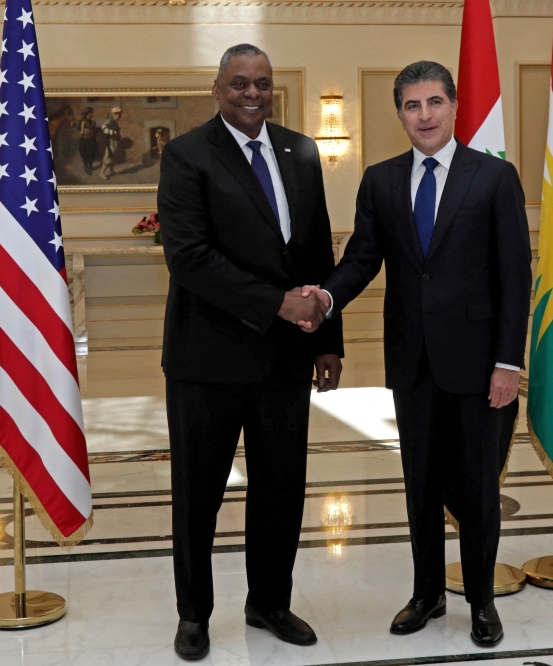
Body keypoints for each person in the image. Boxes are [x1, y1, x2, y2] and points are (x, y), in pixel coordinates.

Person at [300, 61, 532, 648]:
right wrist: (327, 296)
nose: (424, 115)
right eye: (411, 105)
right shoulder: (380, 180)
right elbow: (362, 258)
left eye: (434, 103)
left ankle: (480, 601)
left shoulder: (495, 177)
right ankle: (426, 593)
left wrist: (509, 361)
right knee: (421, 484)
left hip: (482, 366)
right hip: (412, 363)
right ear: (399, 112)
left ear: (453, 107)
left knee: (478, 488)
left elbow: (514, 275)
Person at [157, 43, 344, 660]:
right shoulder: (187, 155)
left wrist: (328, 340)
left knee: (281, 488)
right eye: (238, 83)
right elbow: (189, 258)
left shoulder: (302, 150)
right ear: (217, 90)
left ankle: (268, 601)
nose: (252, 94)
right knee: (198, 494)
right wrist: (277, 303)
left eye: (261, 83)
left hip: (286, 359)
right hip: (206, 361)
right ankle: (194, 614)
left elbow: (317, 248)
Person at [99, 106, 122, 180]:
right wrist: (112, 132)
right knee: (108, 157)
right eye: (118, 114)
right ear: (114, 114)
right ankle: (101, 173)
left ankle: (112, 171)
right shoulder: (111, 120)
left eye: (120, 114)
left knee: (111, 157)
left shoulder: (115, 122)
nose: (119, 115)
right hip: (111, 141)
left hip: (114, 141)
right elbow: (103, 127)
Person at [76, 106, 97, 175]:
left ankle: (90, 165)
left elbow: (94, 131)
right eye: (91, 113)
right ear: (87, 114)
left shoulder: (93, 122)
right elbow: (78, 128)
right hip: (84, 140)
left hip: (91, 140)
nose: (92, 114)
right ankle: (86, 167)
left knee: (91, 154)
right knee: (84, 154)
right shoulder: (82, 121)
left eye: (92, 112)